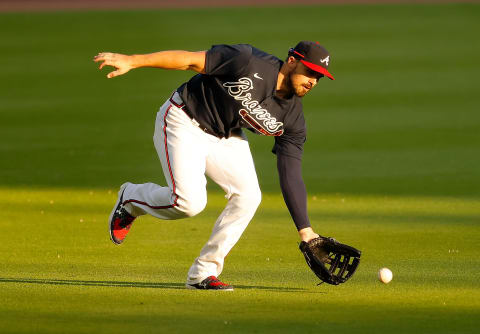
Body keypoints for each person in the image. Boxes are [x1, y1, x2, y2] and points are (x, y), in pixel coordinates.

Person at [93, 41, 335, 291]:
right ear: (292, 60)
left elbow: (290, 173)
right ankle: (131, 198)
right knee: (188, 203)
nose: (313, 80)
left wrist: (305, 230)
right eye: (310, 71)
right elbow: (188, 59)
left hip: (226, 136)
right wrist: (134, 60)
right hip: (183, 119)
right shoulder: (247, 60)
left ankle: (203, 273)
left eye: (319, 77)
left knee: (249, 197)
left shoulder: (293, 119)